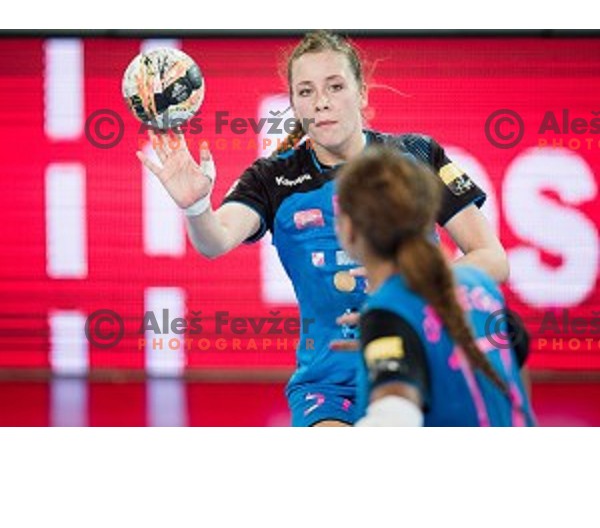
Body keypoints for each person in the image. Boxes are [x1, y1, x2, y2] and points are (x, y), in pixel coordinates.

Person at [136, 31, 509, 427]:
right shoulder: (272, 177)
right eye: (306, 91)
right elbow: (216, 241)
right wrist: (196, 206)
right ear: (294, 103)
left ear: (362, 93)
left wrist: (416, 280)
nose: (322, 102)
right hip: (331, 385)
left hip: (427, 361)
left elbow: (494, 261)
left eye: (335, 86)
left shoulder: (416, 155)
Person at [334, 146, 535, 426]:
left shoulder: (387, 313)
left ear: (349, 229)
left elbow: (396, 416)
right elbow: (516, 366)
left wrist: (386, 330)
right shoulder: (480, 285)